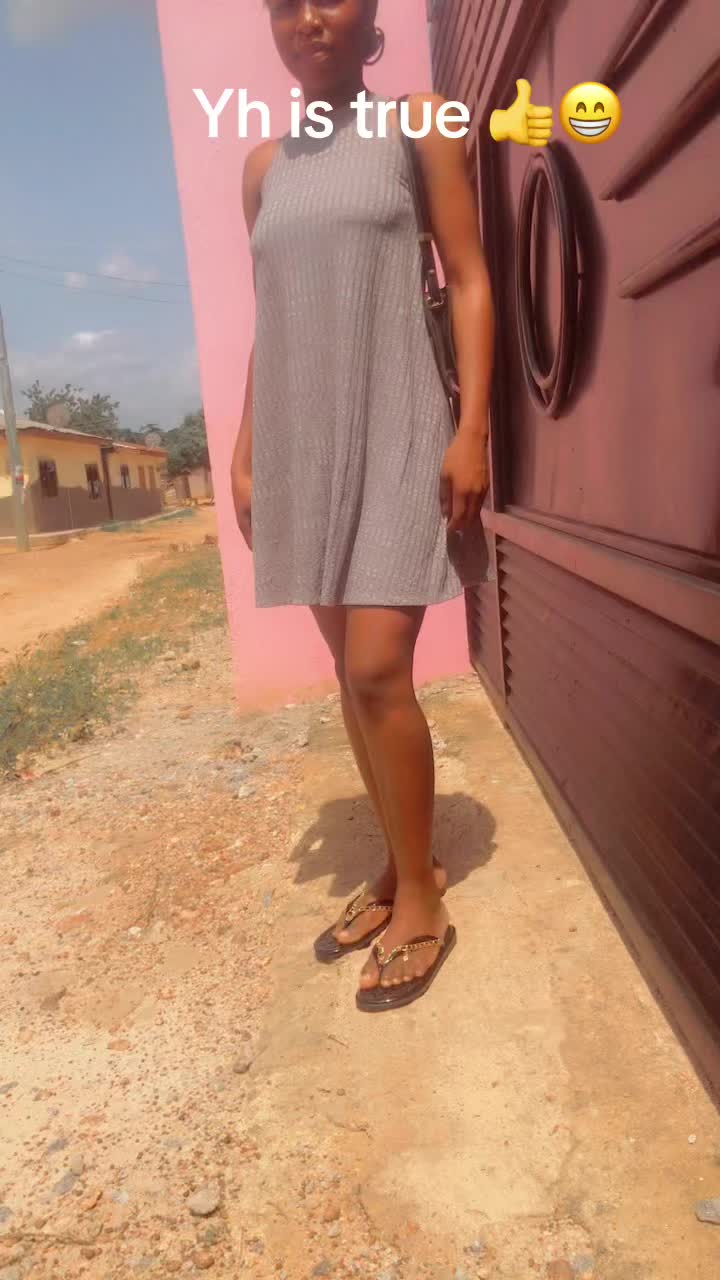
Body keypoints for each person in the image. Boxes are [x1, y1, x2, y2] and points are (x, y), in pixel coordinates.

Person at [231, 0, 495, 1011]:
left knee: (381, 666)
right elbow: (273, 318)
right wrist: (246, 451)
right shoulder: (263, 168)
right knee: (352, 674)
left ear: (369, 15)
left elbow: (468, 278)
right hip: (301, 445)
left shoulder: (418, 126)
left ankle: (422, 895)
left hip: (398, 426)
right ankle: (396, 864)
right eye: (285, 3)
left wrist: (472, 427)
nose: (308, 18)